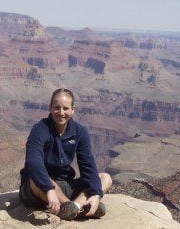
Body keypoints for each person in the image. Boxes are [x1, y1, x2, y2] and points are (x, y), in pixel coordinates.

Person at [19, 88, 112, 219]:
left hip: (66, 185)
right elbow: (33, 162)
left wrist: (96, 195)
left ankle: (75, 208)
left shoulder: (79, 131)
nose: (61, 113)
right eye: (57, 108)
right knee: (37, 179)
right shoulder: (40, 129)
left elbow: (88, 166)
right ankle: (76, 207)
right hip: (40, 189)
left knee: (105, 178)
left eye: (65, 108)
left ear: (73, 110)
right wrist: (49, 189)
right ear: (50, 108)